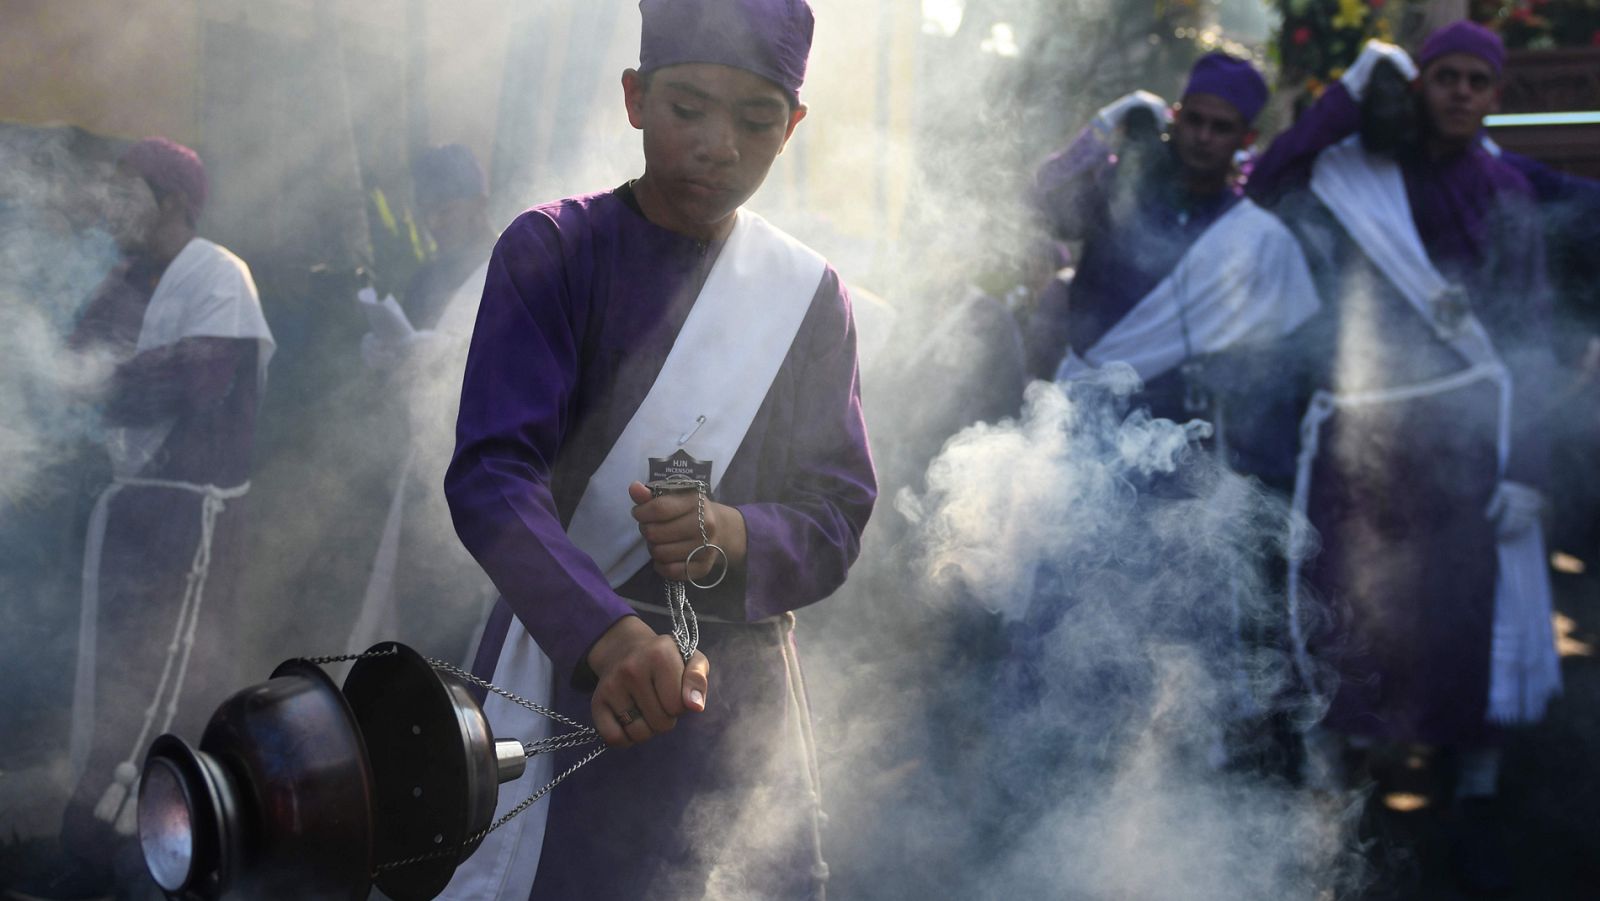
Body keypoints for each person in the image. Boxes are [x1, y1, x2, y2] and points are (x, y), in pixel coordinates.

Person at [438, 1, 875, 898]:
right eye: (688, 109)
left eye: (755, 120)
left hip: (732, 706)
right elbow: (493, 475)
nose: (718, 145)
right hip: (566, 659)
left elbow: (836, 513)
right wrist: (606, 632)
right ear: (635, 98)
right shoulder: (555, 250)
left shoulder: (809, 297)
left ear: (791, 127)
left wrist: (737, 532)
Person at [1247, 23, 1559, 892]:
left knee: (1461, 606)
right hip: (1366, 432)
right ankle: (1341, 747)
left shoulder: (1505, 188)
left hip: (1470, 436)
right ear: (1418, 83)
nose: (1461, 92)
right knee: (1353, 599)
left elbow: (1530, 331)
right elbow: (1266, 181)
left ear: (1494, 95)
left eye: (1477, 80)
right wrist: (1347, 88)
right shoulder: (1359, 169)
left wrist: (1528, 468)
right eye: (1445, 76)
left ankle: (1472, 761)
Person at [57, 137, 275, 894]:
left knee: (166, 689)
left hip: (193, 531)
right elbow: (71, 360)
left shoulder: (219, 276)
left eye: (130, 194)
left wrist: (98, 379)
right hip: (129, 525)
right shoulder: (122, 280)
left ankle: (135, 857)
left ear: (175, 202)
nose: (113, 210)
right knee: (113, 682)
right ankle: (103, 852)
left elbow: (197, 380)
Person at [1029, 52, 1318, 488]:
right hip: (1082, 425)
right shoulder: (1119, 190)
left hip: (1182, 447)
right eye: (1194, 120)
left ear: (1247, 136)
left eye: (1221, 127)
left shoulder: (1259, 238)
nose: (1203, 137)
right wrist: (1103, 126)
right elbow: (1046, 206)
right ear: (1175, 119)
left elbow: (1283, 367)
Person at [345, 144, 499, 664]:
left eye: (445, 208)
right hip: (420, 469)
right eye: (426, 210)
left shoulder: (512, 271)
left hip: (488, 468)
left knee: (467, 618)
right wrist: (388, 355)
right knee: (416, 612)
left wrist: (454, 356)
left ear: (479, 203)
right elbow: (399, 383)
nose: (434, 222)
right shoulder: (426, 277)